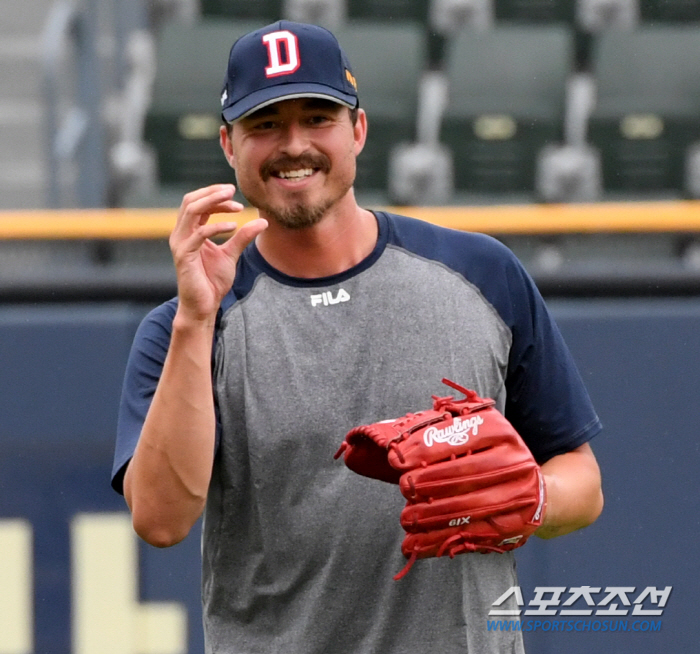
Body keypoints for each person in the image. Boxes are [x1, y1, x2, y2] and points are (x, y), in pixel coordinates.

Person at [112, 20, 604, 654]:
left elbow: (581, 481)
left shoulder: (481, 273)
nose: (294, 145)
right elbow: (159, 520)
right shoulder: (186, 325)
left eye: (317, 117)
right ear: (229, 146)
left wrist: (535, 497)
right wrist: (195, 321)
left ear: (359, 130)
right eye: (265, 124)